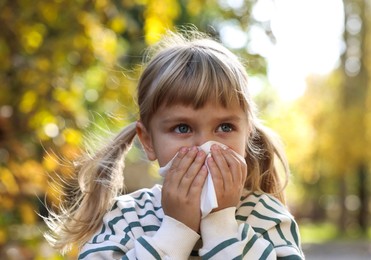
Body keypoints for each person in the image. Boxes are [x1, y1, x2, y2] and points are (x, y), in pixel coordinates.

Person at [44, 28, 305, 259]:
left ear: (247, 135)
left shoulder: (269, 218)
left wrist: (222, 226)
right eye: (183, 128)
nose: (206, 146)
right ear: (148, 141)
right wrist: (176, 230)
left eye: (225, 127)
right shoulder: (125, 218)